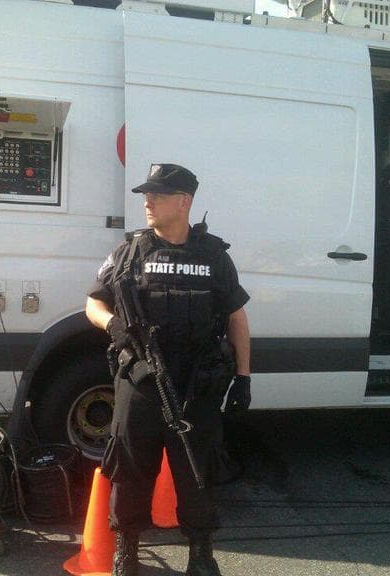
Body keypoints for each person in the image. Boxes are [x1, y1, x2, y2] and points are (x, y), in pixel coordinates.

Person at [85, 163, 251, 576]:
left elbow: (237, 319)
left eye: (157, 195)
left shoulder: (213, 255)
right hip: (140, 378)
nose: (148, 201)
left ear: (184, 201)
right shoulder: (129, 252)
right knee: (129, 468)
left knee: (196, 471)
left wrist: (244, 379)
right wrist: (113, 324)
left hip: (197, 384)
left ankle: (201, 551)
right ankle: (127, 550)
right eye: (146, 195)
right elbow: (94, 303)